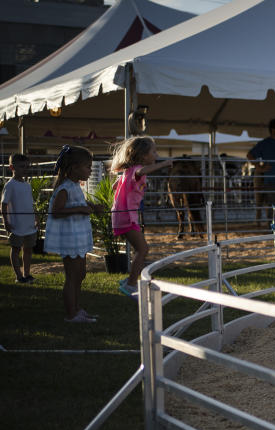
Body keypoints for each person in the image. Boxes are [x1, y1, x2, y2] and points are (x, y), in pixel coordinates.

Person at [44, 145, 106, 323]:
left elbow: (80, 200)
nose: (90, 170)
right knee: (72, 276)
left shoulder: (74, 186)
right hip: (70, 237)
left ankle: (77, 309)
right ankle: (71, 314)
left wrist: (92, 207)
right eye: (87, 167)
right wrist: (80, 209)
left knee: (80, 274)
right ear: (74, 167)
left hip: (78, 235)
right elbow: (56, 211)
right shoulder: (64, 188)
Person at [111, 136, 172, 298]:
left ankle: (129, 280)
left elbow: (114, 186)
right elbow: (141, 171)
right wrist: (164, 164)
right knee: (143, 249)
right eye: (154, 152)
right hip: (126, 217)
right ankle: (130, 285)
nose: (156, 155)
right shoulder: (137, 170)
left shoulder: (127, 171)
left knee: (141, 249)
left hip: (123, 216)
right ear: (143, 156)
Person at [1, 153, 38, 283]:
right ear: (12, 167)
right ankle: (18, 276)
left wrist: (35, 218)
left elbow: (31, 204)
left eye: (27, 167)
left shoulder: (27, 185)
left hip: (29, 225)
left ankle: (27, 274)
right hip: (16, 225)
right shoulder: (10, 185)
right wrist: (5, 221)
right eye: (22, 166)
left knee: (28, 249)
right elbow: (4, 204)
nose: (25, 169)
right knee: (16, 249)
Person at [247, 118, 275, 212]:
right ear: (273, 129)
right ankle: (271, 226)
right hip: (271, 182)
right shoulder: (264, 144)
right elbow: (250, 155)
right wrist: (259, 167)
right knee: (272, 210)